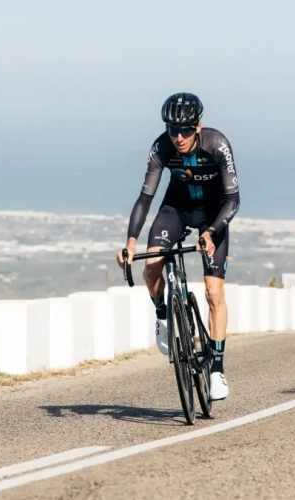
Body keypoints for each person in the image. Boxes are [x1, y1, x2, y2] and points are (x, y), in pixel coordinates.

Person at [116, 92, 240, 401]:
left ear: (198, 126)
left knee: (214, 292)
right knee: (151, 267)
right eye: (172, 130)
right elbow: (146, 198)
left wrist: (211, 233)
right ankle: (162, 315)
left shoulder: (217, 145)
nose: (179, 137)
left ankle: (217, 369)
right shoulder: (161, 147)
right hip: (176, 209)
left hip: (213, 215)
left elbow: (233, 199)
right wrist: (130, 242)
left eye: (185, 130)